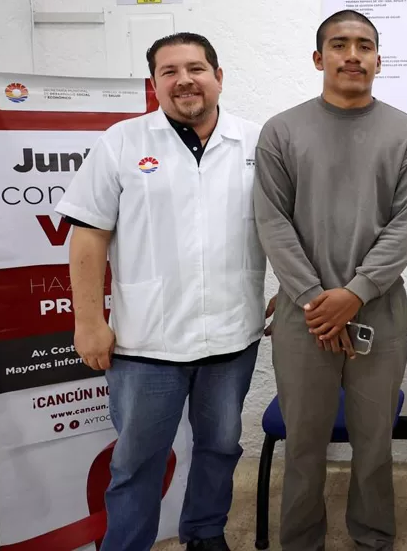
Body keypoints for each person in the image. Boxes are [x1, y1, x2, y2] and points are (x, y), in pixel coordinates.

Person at [54, 32, 266, 551]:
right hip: (146, 341)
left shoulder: (257, 142)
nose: (184, 80)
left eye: (196, 68)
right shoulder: (122, 142)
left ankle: (205, 533)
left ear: (219, 77)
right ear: (154, 84)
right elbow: (88, 238)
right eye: (169, 72)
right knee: (136, 461)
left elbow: (286, 223)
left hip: (231, 336)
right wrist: (87, 321)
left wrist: (296, 286)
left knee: (220, 448)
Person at [254, 9, 407, 551]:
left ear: (379, 60)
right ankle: (301, 540)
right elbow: (271, 221)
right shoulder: (281, 131)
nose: (352, 54)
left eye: (364, 45)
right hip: (301, 316)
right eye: (339, 44)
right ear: (319, 58)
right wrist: (316, 300)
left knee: (373, 440)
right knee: (303, 443)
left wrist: (353, 294)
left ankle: (373, 535)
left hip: (377, 313)